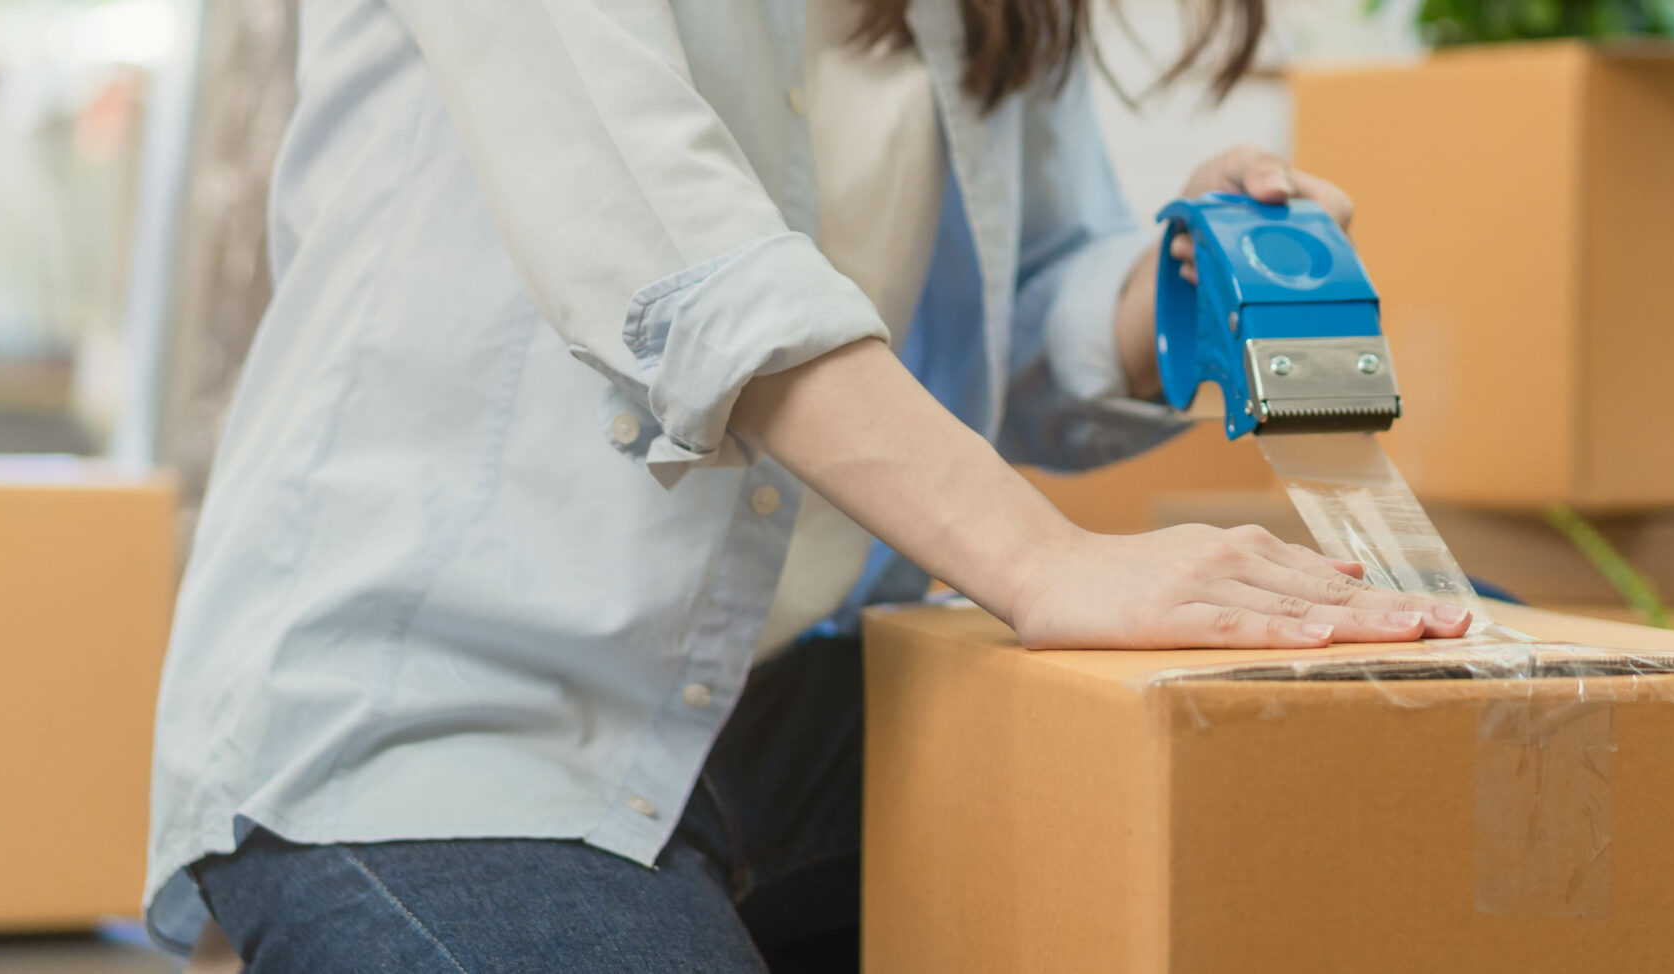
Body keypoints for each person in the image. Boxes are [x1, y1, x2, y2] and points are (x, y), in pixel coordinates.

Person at [143, 0, 1472, 970]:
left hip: (796, 702)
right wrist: (1044, 555)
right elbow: (670, 251)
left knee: (1418, 746)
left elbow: (1024, 289)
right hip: (449, 716)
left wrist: (1161, 285)